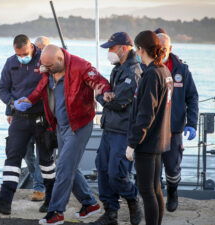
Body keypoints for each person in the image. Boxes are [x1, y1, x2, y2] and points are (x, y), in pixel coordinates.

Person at [16, 44, 111, 225]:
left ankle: (56, 212)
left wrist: (106, 92)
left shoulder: (80, 66)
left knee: (63, 168)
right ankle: (90, 204)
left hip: (79, 125)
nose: (46, 70)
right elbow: (42, 87)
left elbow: (99, 81)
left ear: (60, 59)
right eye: (45, 66)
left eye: (49, 67)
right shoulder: (49, 70)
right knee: (68, 166)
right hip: (60, 126)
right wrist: (28, 100)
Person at [0, 34, 56, 215]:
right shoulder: (10, 63)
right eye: (18, 54)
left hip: (42, 118)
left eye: (24, 53)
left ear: (31, 47)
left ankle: (51, 200)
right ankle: (4, 200)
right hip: (20, 117)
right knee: (12, 157)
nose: (22, 57)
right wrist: (12, 103)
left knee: (46, 161)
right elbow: (2, 90)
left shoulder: (45, 59)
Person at [90, 32, 142, 225]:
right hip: (110, 128)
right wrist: (109, 96)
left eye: (112, 48)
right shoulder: (118, 68)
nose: (109, 52)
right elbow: (114, 96)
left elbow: (119, 101)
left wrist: (100, 96)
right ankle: (110, 213)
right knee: (102, 170)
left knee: (117, 173)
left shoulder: (132, 71)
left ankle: (133, 199)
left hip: (123, 131)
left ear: (124, 48)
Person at [125, 30, 173, 225]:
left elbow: (146, 114)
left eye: (136, 49)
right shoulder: (165, 71)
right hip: (160, 139)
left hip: (147, 142)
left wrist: (132, 143)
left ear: (141, 49)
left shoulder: (152, 74)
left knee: (147, 191)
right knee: (156, 189)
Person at [156, 31, 199, 212]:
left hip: (174, 129)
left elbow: (192, 97)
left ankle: (173, 192)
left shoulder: (182, 69)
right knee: (153, 170)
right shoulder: (146, 68)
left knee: (173, 168)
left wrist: (192, 123)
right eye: (158, 48)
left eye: (164, 48)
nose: (161, 51)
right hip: (152, 130)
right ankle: (156, 201)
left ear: (170, 48)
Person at [22, 36, 52, 203]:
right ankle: (37, 180)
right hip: (25, 116)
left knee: (43, 155)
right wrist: (9, 111)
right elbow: (16, 86)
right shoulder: (27, 65)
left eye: (43, 50)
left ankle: (39, 187)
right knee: (26, 153)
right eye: (38, 49)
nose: (40, 53)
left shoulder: (53, 67)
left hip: (43, 118)